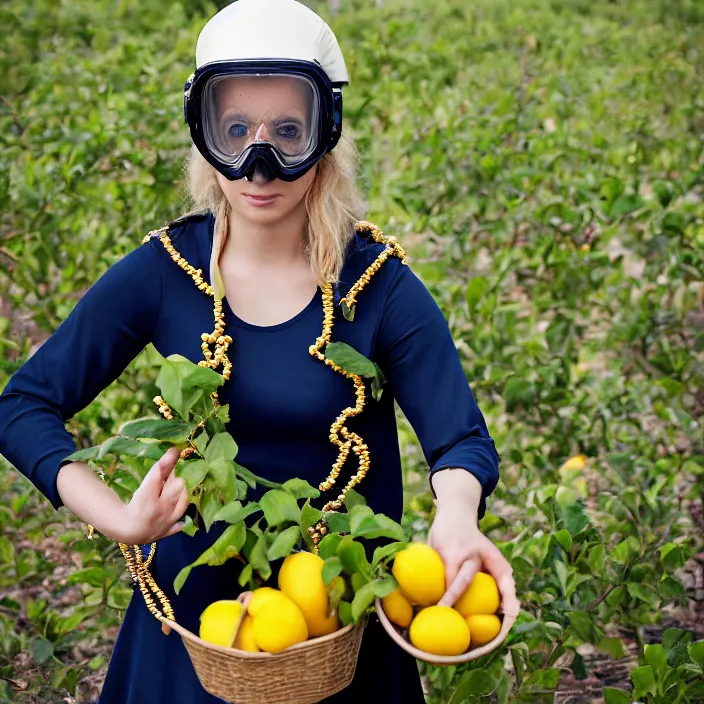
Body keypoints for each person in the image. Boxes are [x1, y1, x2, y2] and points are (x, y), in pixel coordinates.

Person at [0, 0, 519, 702]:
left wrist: (454, 514)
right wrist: (116, 515)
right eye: (235, 130)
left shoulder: (380, 286)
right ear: (203, 133)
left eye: (288, 132)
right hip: (192, 634)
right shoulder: (165, 272)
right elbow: (24, 404)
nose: (259, 163)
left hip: (342, 626)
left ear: (326, 135)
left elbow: (460, 440)